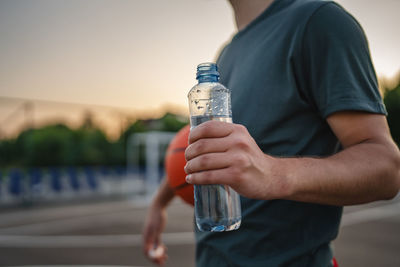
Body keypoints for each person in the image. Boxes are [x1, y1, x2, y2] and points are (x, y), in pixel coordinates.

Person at [143, 0, 400, 266]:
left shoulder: (318, 22)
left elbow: (386, 168)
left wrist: (273, 174)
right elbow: (206, 144)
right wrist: (159, 202)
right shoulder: (227, 53)